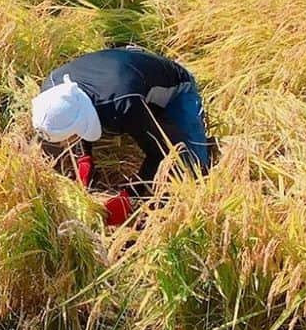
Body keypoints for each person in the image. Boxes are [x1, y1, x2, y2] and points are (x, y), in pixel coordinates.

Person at [31, 46, 211, 225]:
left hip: (173, 84)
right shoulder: (51, 88)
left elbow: (162, 152)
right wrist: (84, 159)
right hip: (117, 65)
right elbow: (75, 115)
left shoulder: (124, 104)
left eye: (67, 139)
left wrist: (131, 195)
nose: (65, 144)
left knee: (192, 163)